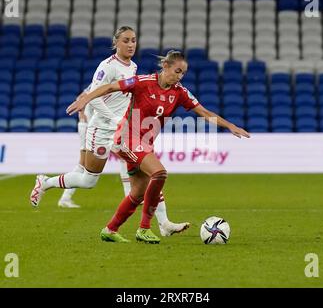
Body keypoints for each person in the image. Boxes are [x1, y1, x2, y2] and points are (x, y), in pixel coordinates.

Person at [65, 50, 251, 244]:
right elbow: (111, 87)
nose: (179, 76)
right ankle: (144, 228)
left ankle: (110, 230)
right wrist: (86, 98)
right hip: (126, 138)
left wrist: (230, 126)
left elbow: (204, 112)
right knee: (160, 173)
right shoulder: (142, 82)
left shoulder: (179, 92)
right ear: (165, 66)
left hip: (144, 144)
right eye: (177, 71)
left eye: (183, 73)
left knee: (137, 193)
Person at [30, 28, 190, 238]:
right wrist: (114, 119)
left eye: (134, 40)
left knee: (149, 172)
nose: (131, 44)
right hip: (103, 128)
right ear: (116, 43)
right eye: (126, 41)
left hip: (124, 130)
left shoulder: (133, 66)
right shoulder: (107, 66)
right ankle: (46, 182)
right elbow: (94, 96)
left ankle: (162, 223)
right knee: (88, 180)